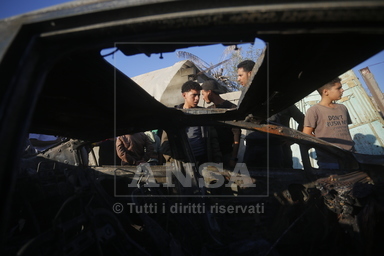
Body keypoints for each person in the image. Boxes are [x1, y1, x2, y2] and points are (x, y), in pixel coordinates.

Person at [160, 80, 222, 166]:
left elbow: (213, 139)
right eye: (194, 95)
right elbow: (165, 143)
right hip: (182, 163)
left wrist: (217, 159)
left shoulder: (203, 114)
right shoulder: (174, 116)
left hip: (203, 161)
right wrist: (174, 162)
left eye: (198, 95)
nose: (197, 98)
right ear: (184, 95)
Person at [303, 77, 354, 169]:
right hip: (329, 160)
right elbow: (306, 134)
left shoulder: (342, 108)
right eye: (338, 88)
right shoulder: (314, 110)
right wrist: (323, 143)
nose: (342, 90)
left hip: (350, 155)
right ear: (326, 92)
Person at [201, 79, 241, 168]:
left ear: (209, 92)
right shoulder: (209, 110)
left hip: (226, 155)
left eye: (203, 94)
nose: (202, 97)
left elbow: (237, 134)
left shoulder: (230, 108)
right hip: (212, 155)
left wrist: (233, 157)